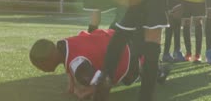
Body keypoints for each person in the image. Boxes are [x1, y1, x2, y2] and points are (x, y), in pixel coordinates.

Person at [29, 29, 170, 100]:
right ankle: (154, 65)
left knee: (135, 74)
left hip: (124, 57)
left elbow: (105, 83)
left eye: (40, 66)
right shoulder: (62, 44)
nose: (40, 69)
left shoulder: (78, 67)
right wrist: (71, 87)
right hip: (116, 39)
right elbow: (71, 59)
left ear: (47, 62)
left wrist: (88, 92)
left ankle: (159, 70)